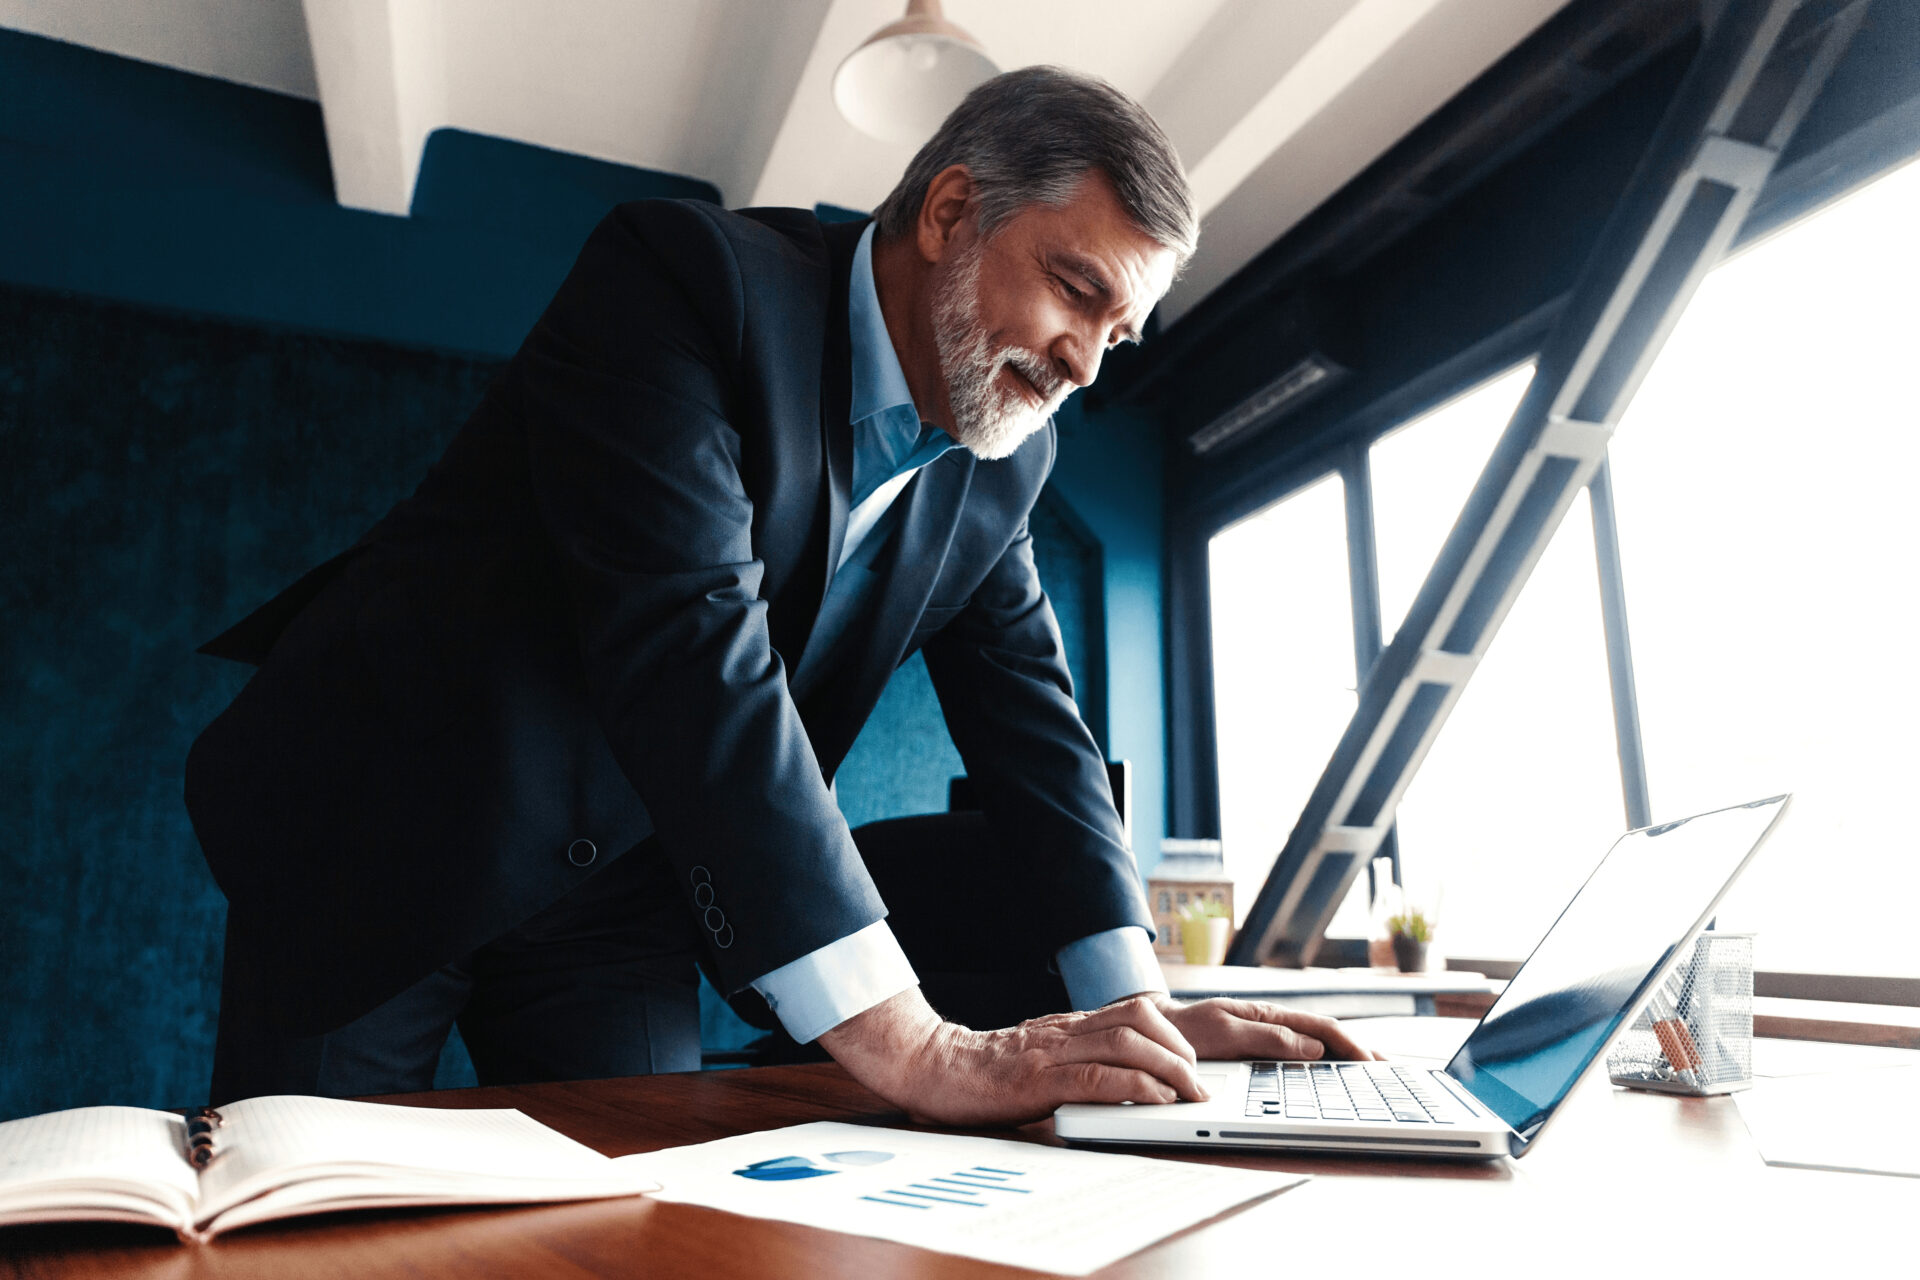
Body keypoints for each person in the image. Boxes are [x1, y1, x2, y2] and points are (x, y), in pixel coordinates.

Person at [186, 66, 1376, 1128]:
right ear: (951, 210)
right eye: (1075, 290)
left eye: (1116, 338)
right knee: (297, 1213)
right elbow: (691, 645)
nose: (1080, 364)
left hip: (621, 890)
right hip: (389, 822)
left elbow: (1035, 725)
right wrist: (914, 1042)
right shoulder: (686, 281)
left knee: (651, 1223)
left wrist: (1138, 1007)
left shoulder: (1007, 457)